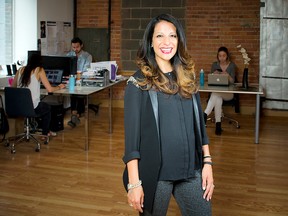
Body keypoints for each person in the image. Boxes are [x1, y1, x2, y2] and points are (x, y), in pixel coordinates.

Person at [122, 14, 214, 216]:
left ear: (179, 40)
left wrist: (207, 162)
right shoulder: (138, 83)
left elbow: (199, 125)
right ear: (150, 42)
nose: (167, 42)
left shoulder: (187, 78)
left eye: (172, 36)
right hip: (157, 175)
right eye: (160, 36)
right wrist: (134, 183)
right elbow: (132, 141)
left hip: (190, 170)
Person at [12, 53, 66, 139]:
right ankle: (45, 133)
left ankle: (36, 128)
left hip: (19, 107)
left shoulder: (20, 70)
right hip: (32, 107)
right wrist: (59, 86)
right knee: (47, 108)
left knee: (41, 105)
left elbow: (13, 87)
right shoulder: (39, 70)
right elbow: (50, 90)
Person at [203, 46, 236, 135]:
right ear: (218, 56)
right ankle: (218, 126)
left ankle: (205, 114)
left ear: (227, 56)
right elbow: (210, 80)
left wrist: (227, 75)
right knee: (217, 98)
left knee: (215, 94)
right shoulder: (215, 65)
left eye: (224, 55)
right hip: (217, 92)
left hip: (228, 94)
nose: (222, 58)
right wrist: (213, 74)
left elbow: (233, 82)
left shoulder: (232, 65)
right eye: (220, 56)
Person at [66, 37, 92, 127]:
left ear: (81, 45)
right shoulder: (69, 55)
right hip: (71, 79)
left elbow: (86, 70)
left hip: (83, 79)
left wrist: (78, 76)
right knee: (72, 93)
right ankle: (75, 115)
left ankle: (76, 115)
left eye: (77, 47)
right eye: (73, 47)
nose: (75, 49)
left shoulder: (87, 56)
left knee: (79, 94)